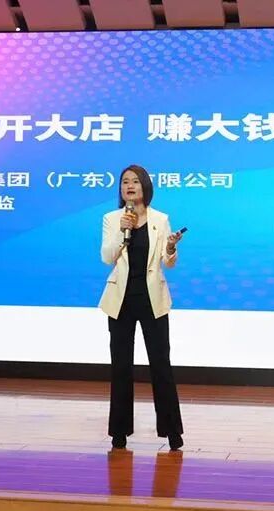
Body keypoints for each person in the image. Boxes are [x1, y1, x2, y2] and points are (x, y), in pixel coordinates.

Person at [100, 164, 185, 450]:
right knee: (121, 365)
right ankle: (119, 432)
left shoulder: (160, 219)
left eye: (135, 181)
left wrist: (170, 247)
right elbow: (107, 257)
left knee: (161, 364)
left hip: (152, 299)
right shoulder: (112, 218)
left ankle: (172, 431)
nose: (129, 186)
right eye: (125, 181)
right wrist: (121, 231)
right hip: (121, 299)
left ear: (145, 186)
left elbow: (167, 262)